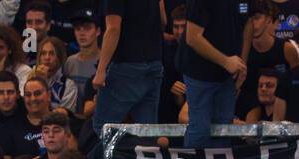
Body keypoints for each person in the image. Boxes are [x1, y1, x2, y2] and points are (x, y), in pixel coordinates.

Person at [180, 0, 253, 148]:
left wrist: (242, 64)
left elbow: (248, 24)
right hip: (199, 72)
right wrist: (226, 61)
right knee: (200, 130)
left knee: (224, 130)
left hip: (227, 75)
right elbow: (193, 37)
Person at [93, 0, 166, 133]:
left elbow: (113, 29)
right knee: (147, 131)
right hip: (154, 63)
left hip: (127, 65)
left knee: (103, 127)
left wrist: (101, 70)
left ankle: (111, 155)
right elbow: (163, 20)